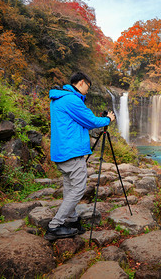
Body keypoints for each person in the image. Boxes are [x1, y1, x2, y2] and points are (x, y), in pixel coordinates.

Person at [45, 71, 115, 241]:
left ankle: (72, 220)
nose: (87, 91)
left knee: (70, 188)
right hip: (72, 152)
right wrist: (108, 120)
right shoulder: (71, 100)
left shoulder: (58, 99)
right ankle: (55, 226)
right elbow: (90, 121)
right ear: (82, 83)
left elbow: (80, 121)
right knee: (78, 188)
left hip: (61, 152)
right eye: (88, 87)